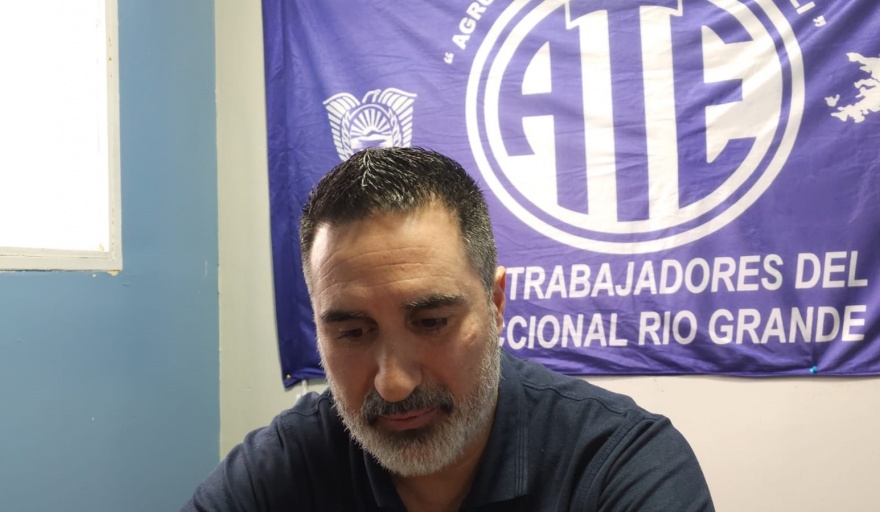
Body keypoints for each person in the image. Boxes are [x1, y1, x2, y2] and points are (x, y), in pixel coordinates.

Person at [184, 147, 715, 511]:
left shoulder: (618, 464)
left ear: (495, 302)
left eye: (431, 322)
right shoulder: (283, 468)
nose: (394, 384)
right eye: (353, 333)